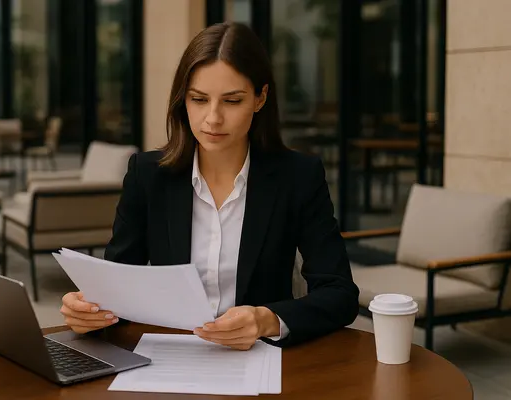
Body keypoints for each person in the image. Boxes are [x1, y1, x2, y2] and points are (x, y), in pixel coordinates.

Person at [60, 22, 359, 349]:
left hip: (261, 360)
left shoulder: (298, 177)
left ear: (260, 98)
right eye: (199, 99)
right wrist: (88, 311)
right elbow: (117, 287)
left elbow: (339, 294)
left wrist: (266, 320)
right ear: (183, 100)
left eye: (232, 101)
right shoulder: (148, 175)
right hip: (168, 356)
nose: (212, 119)